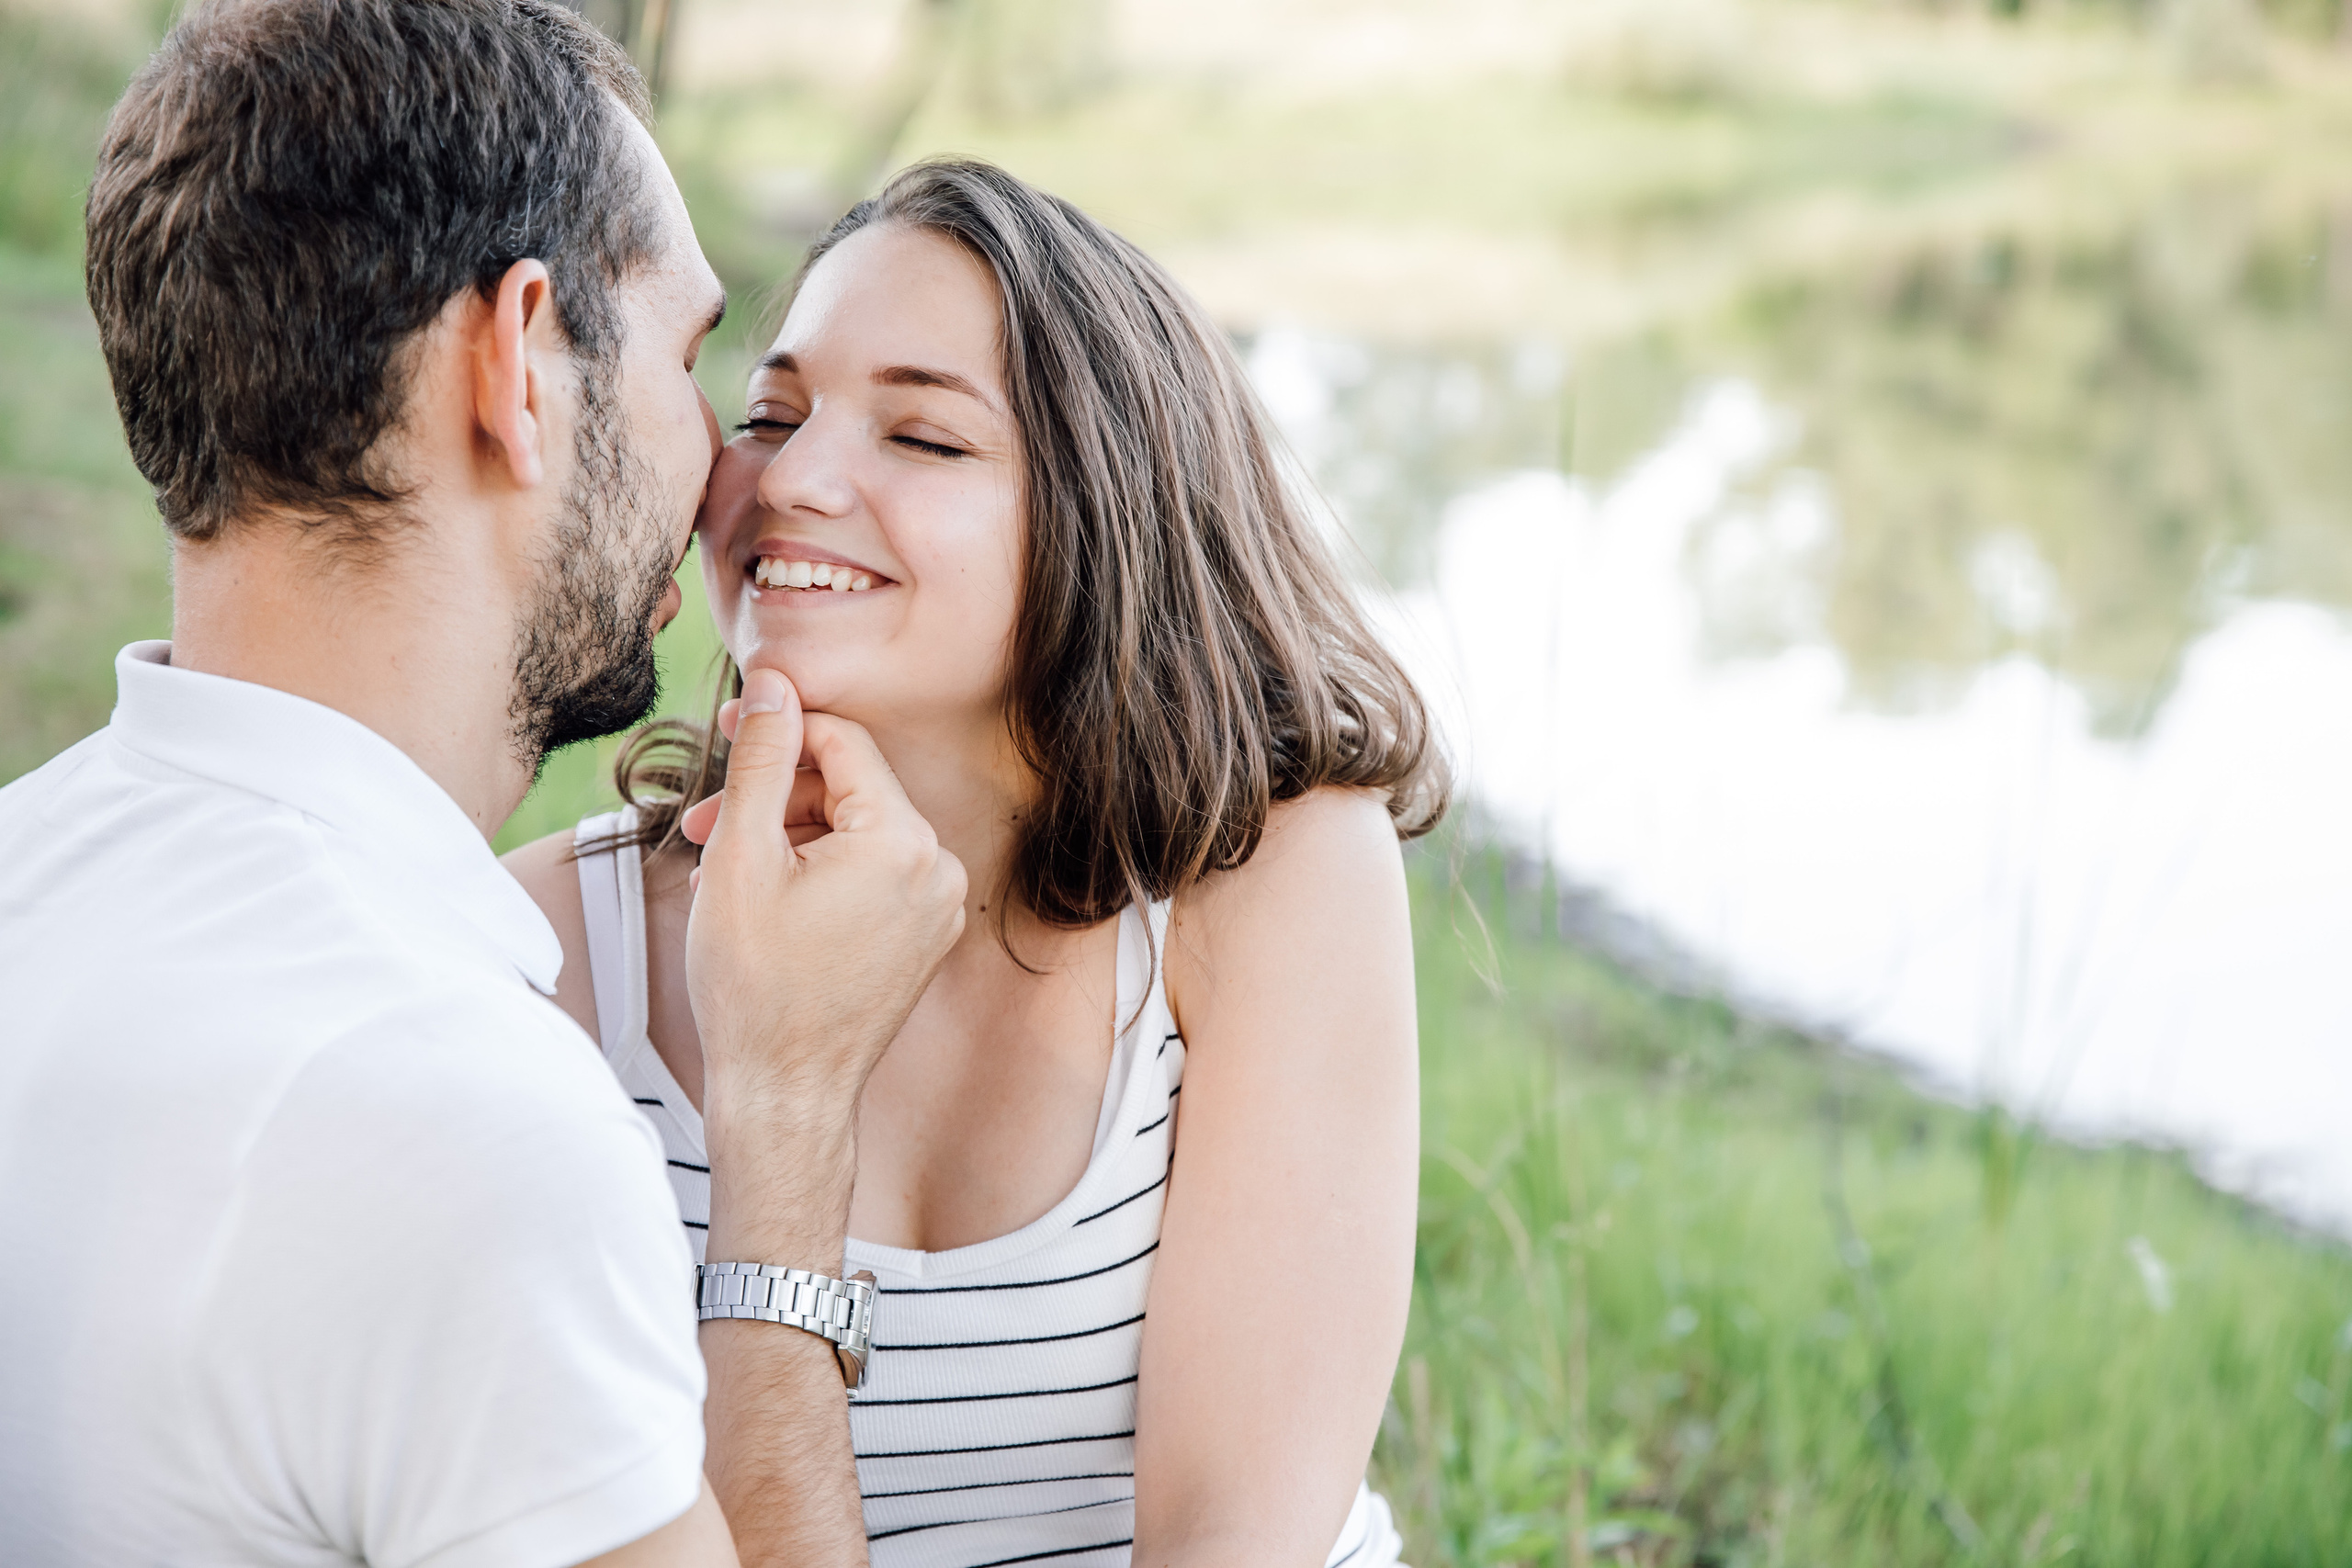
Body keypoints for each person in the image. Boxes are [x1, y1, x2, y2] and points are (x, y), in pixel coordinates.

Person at [0, 3, 960, 1564]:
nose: (739, 478)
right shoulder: (465, 1130)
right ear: (519, 363)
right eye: (691, 352)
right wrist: (783, 1131)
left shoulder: (25, 869)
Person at [504, 160, 1453, 1568]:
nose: (794, 479)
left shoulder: (1270, 878)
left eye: (926, 440)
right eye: (771, 415)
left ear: (1104, 512)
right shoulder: (554, 948)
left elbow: (1228, 1539)